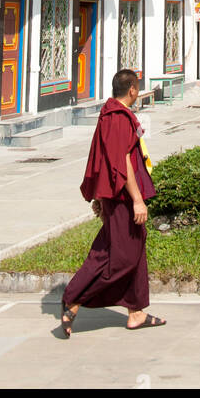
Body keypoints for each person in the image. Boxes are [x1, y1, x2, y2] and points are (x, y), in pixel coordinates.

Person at [60, 68, 165, 336]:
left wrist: (98, 195)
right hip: (123, 197)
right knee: (122, 257)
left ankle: (136, 311)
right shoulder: (118, 118)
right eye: (137, 88)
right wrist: (137, 200)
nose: (138, 93)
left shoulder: (110, 113)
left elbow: (102, 157)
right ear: (132, 90)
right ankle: (74, 298)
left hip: (113, 195)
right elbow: (122, 163)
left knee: (131, 248)